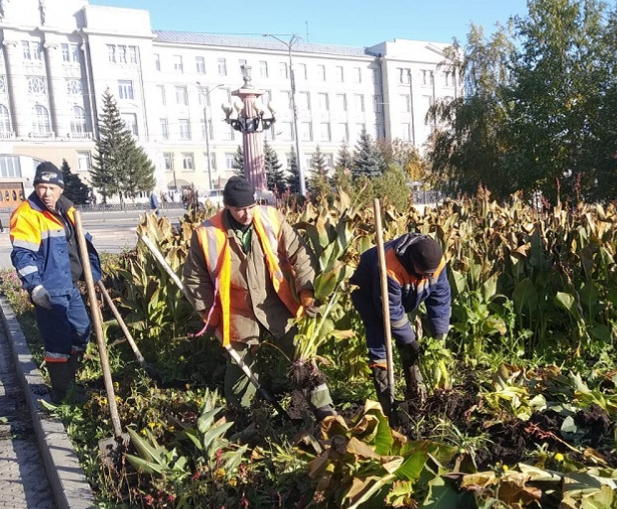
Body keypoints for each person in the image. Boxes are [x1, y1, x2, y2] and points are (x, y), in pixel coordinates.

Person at [182, 176, 336, 419]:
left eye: (250, 207)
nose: (246, 214)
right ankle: (241, 418)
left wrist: (306, 293)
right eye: (239, 209)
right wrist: (209, 317)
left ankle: (324, 410)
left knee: (302, 354)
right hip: (237, 311)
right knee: (240, 369)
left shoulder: (270, 218)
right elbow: (194, 279)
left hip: (276, 303)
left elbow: (299, 253)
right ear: (228, 207)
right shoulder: (207, 234)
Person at [10, 162, 100, 403]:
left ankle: (72, 381)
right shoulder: (27, 214)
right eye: (41, 187)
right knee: (57, 343)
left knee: (82, 331)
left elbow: (83, 246)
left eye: (51, 187)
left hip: (69, 286)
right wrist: (35, 286)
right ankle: (63, 395)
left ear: (61, 188)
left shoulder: (68, 211)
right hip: (49, 289)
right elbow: (22, 254)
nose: (46, 193)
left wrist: (93, 276)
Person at [350, 233, 451, 417]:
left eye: (431, 275)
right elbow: (391, 312)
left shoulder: (437, 263)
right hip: (369, 292)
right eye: (424, 274)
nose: (428, 278)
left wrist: (439, 334)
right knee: (380, 339)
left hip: (403, 293)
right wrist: (410, 340)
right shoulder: (389, 268)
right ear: (413, 263)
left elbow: (440, 299)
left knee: (409, 342)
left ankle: (416, 394)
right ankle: (387, 403)